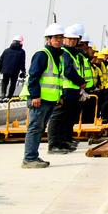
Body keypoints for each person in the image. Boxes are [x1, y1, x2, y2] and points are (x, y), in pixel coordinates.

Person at [22, 25, 70, 168]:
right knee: (35, 128)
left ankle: (33, 156)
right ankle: (29, 159)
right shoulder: (42, 55)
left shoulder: (58, 56)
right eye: (56, 38)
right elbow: (33, 77)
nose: (59, 40)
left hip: (50, 99)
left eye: (61, 37)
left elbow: (57, 79)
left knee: (40, 128)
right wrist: (35, 96)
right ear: (48, 39)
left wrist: (59, 96)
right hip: (39, 99)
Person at [48, 24, 91, 154]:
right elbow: (68, 71)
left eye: (74, 39)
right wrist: (81, 82)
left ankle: (64, 141)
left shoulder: (73, 54)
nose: (72, 41)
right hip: (66, 89)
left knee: (68, 117)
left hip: (73, 90)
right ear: (64, 39)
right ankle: (54, 144)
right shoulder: (65, 53)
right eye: (69, 39)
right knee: (58, 117)